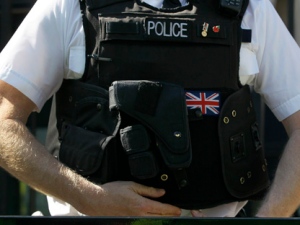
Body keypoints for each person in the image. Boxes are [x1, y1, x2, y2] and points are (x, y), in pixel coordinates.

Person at [0, 0, 300, 218]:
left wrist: (269, 219)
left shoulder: (249, 9)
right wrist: (87, 197)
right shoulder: (69, 6)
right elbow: (4, 123)